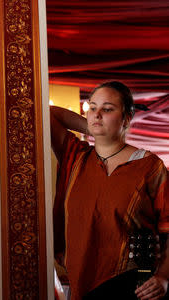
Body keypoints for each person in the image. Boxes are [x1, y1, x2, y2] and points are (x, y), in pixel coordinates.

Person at [50, 81, 168, 299]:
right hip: (80, 283)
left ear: (126, 118)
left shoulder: (150, 167)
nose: (96, 114)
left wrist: (163, 277)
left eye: (107, 109)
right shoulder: (75, 157)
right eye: (92, 108)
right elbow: (48, 114)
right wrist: (94, 127)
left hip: (132, 285)